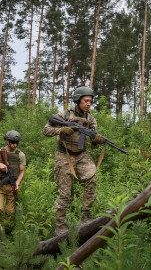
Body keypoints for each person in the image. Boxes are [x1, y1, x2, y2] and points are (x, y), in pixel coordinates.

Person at [42, 86, 104, 236]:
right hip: (64, 154)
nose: (88, 104)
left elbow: (94, 147)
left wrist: (96, 141)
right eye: (85, 101)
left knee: (92, 182)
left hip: (82, 154)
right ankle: (60, 227)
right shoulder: (64, 115)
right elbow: (45, 130)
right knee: (65, 193)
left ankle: (85, 220)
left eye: (90, 101)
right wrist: (61, 130)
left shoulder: (90, 119)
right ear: (78, 100)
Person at [0, 130, 26, 236]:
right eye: (13, 142)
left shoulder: (20, 155)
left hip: (12, 186)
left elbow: (22, 171)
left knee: (10, 212)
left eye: (17, 143)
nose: (15, 145)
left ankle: (6, 233)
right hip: (0, 184)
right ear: (7, 141)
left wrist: (17, 183)